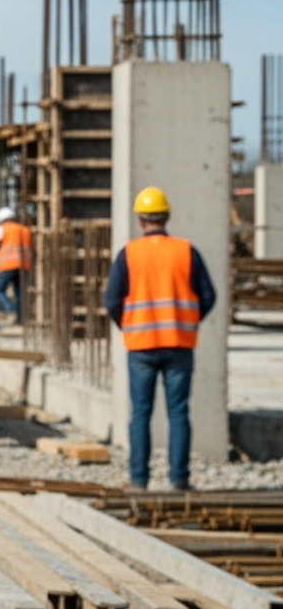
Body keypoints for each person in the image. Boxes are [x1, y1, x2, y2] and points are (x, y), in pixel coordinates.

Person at [103, 186, 217, 492]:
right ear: (166, 218)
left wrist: (129, 325)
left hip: (140, 346)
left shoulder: (129, 254)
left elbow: (112, 300)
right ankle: (178, 479)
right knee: (178, 412)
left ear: (141, 220)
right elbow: (209, 296)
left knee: (141, 413)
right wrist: (187, 320)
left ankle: (139, 480)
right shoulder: (186, 251)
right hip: (179, 343)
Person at [0, 206, 31, 322]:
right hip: (23, 266)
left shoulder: (2, 228)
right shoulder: (25, 229)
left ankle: (10, 310)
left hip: (7, 265)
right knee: (19, 292)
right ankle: (20, 317)